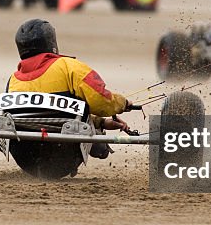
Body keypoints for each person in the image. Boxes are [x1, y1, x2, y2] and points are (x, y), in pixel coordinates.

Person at [7, 19, 132, 158]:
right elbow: (101, 102)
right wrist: (123, 103)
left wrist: (101, 122)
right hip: (65, 155)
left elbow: (38, 116)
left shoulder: (13, 80)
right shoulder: (69, 66)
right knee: (82, 104)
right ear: (50, 42)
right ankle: (97, 144)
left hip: (26, 157)